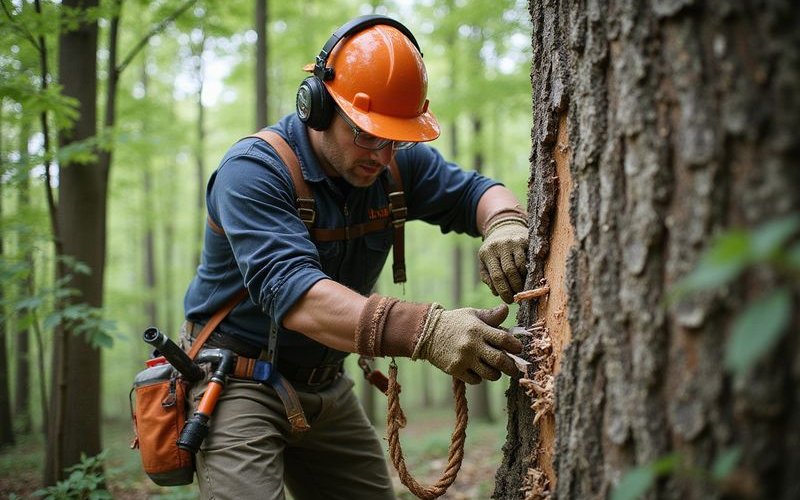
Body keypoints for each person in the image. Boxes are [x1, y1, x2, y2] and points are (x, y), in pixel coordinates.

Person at [181, 14, 528, 500]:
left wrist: (506, 223)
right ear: (318, 107)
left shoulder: (392, 163)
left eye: (395, 138)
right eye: (366, 134)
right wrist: (425, 331)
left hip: (326, 384)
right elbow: (300, 298)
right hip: (236, 382)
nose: (382, 156)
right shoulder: (253, 173)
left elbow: (476, 193)